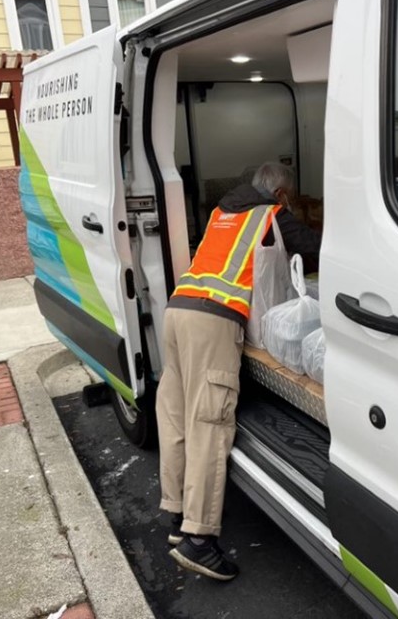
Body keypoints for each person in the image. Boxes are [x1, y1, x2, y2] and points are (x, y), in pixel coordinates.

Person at [157, 162, 321, 580]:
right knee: (211, 422)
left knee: (177, 418)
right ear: (282, 195)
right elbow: (317, 249)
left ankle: (177, 516)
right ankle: (199, 538)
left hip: (178, 311)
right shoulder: (271, 215)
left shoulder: (221, 212)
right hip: (213, 319)